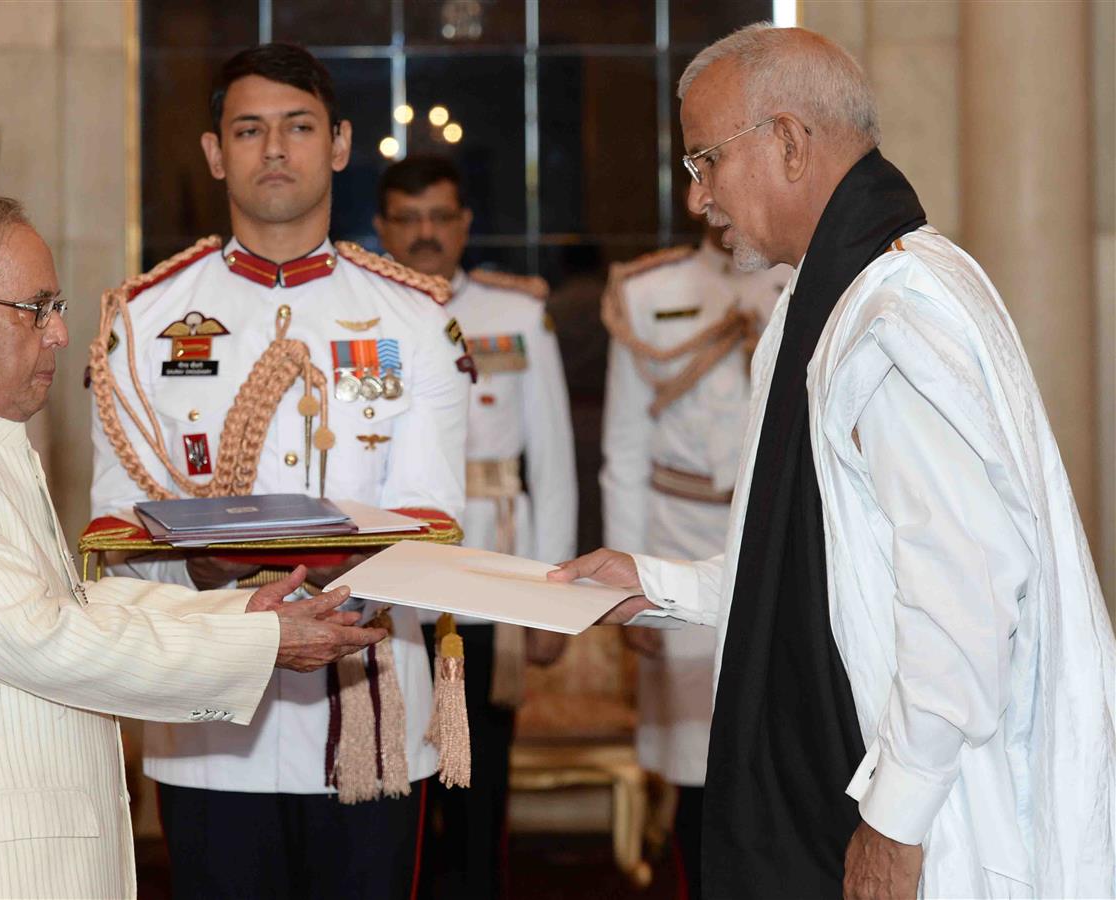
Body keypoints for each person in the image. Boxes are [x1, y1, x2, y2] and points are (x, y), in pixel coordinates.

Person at [553, 23, 1116, 900]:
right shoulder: (825, 298)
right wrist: (657, 585)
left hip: (923, 812)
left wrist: (896, 821)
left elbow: (964, 595)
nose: (697, 198)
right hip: (843, 770)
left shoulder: (897, 314)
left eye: (705, 161)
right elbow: (827, 572)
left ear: (786, 141)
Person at [0, 194, 386, 899]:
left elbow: (68, 604)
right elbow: (50, 641)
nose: (60, 334)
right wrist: (262, 645)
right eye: (36, 309)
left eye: (58, 307)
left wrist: (242, 619)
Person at [89, 45, 470, 899]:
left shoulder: (414, 319)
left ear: (338, 144)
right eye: (249, 130)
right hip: (213, 731)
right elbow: (114, 526)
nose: (273, 150)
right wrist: (200, 567)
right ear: (215, 153)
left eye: (298, 128)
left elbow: (434, 518)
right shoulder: (144, 322)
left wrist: (324, 610)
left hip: (370, 716)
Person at [374, 154, 576, 899]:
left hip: (489, 581)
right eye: (408, 218)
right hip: (390, 587)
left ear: (463, 225)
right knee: (389, 781)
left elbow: (550, 460)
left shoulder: (516, 316)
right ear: (382, 227)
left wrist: (552, 594)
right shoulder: (362, 316)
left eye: (440, 217)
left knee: (479, 787)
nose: (425, 233)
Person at [599, 224, 788, 899]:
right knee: (695, 762)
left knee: (782, 753)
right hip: (676, 532)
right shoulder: (649, 290)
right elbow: (624, 448)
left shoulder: (801, 275)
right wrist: (638, 579)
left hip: (776, 535)